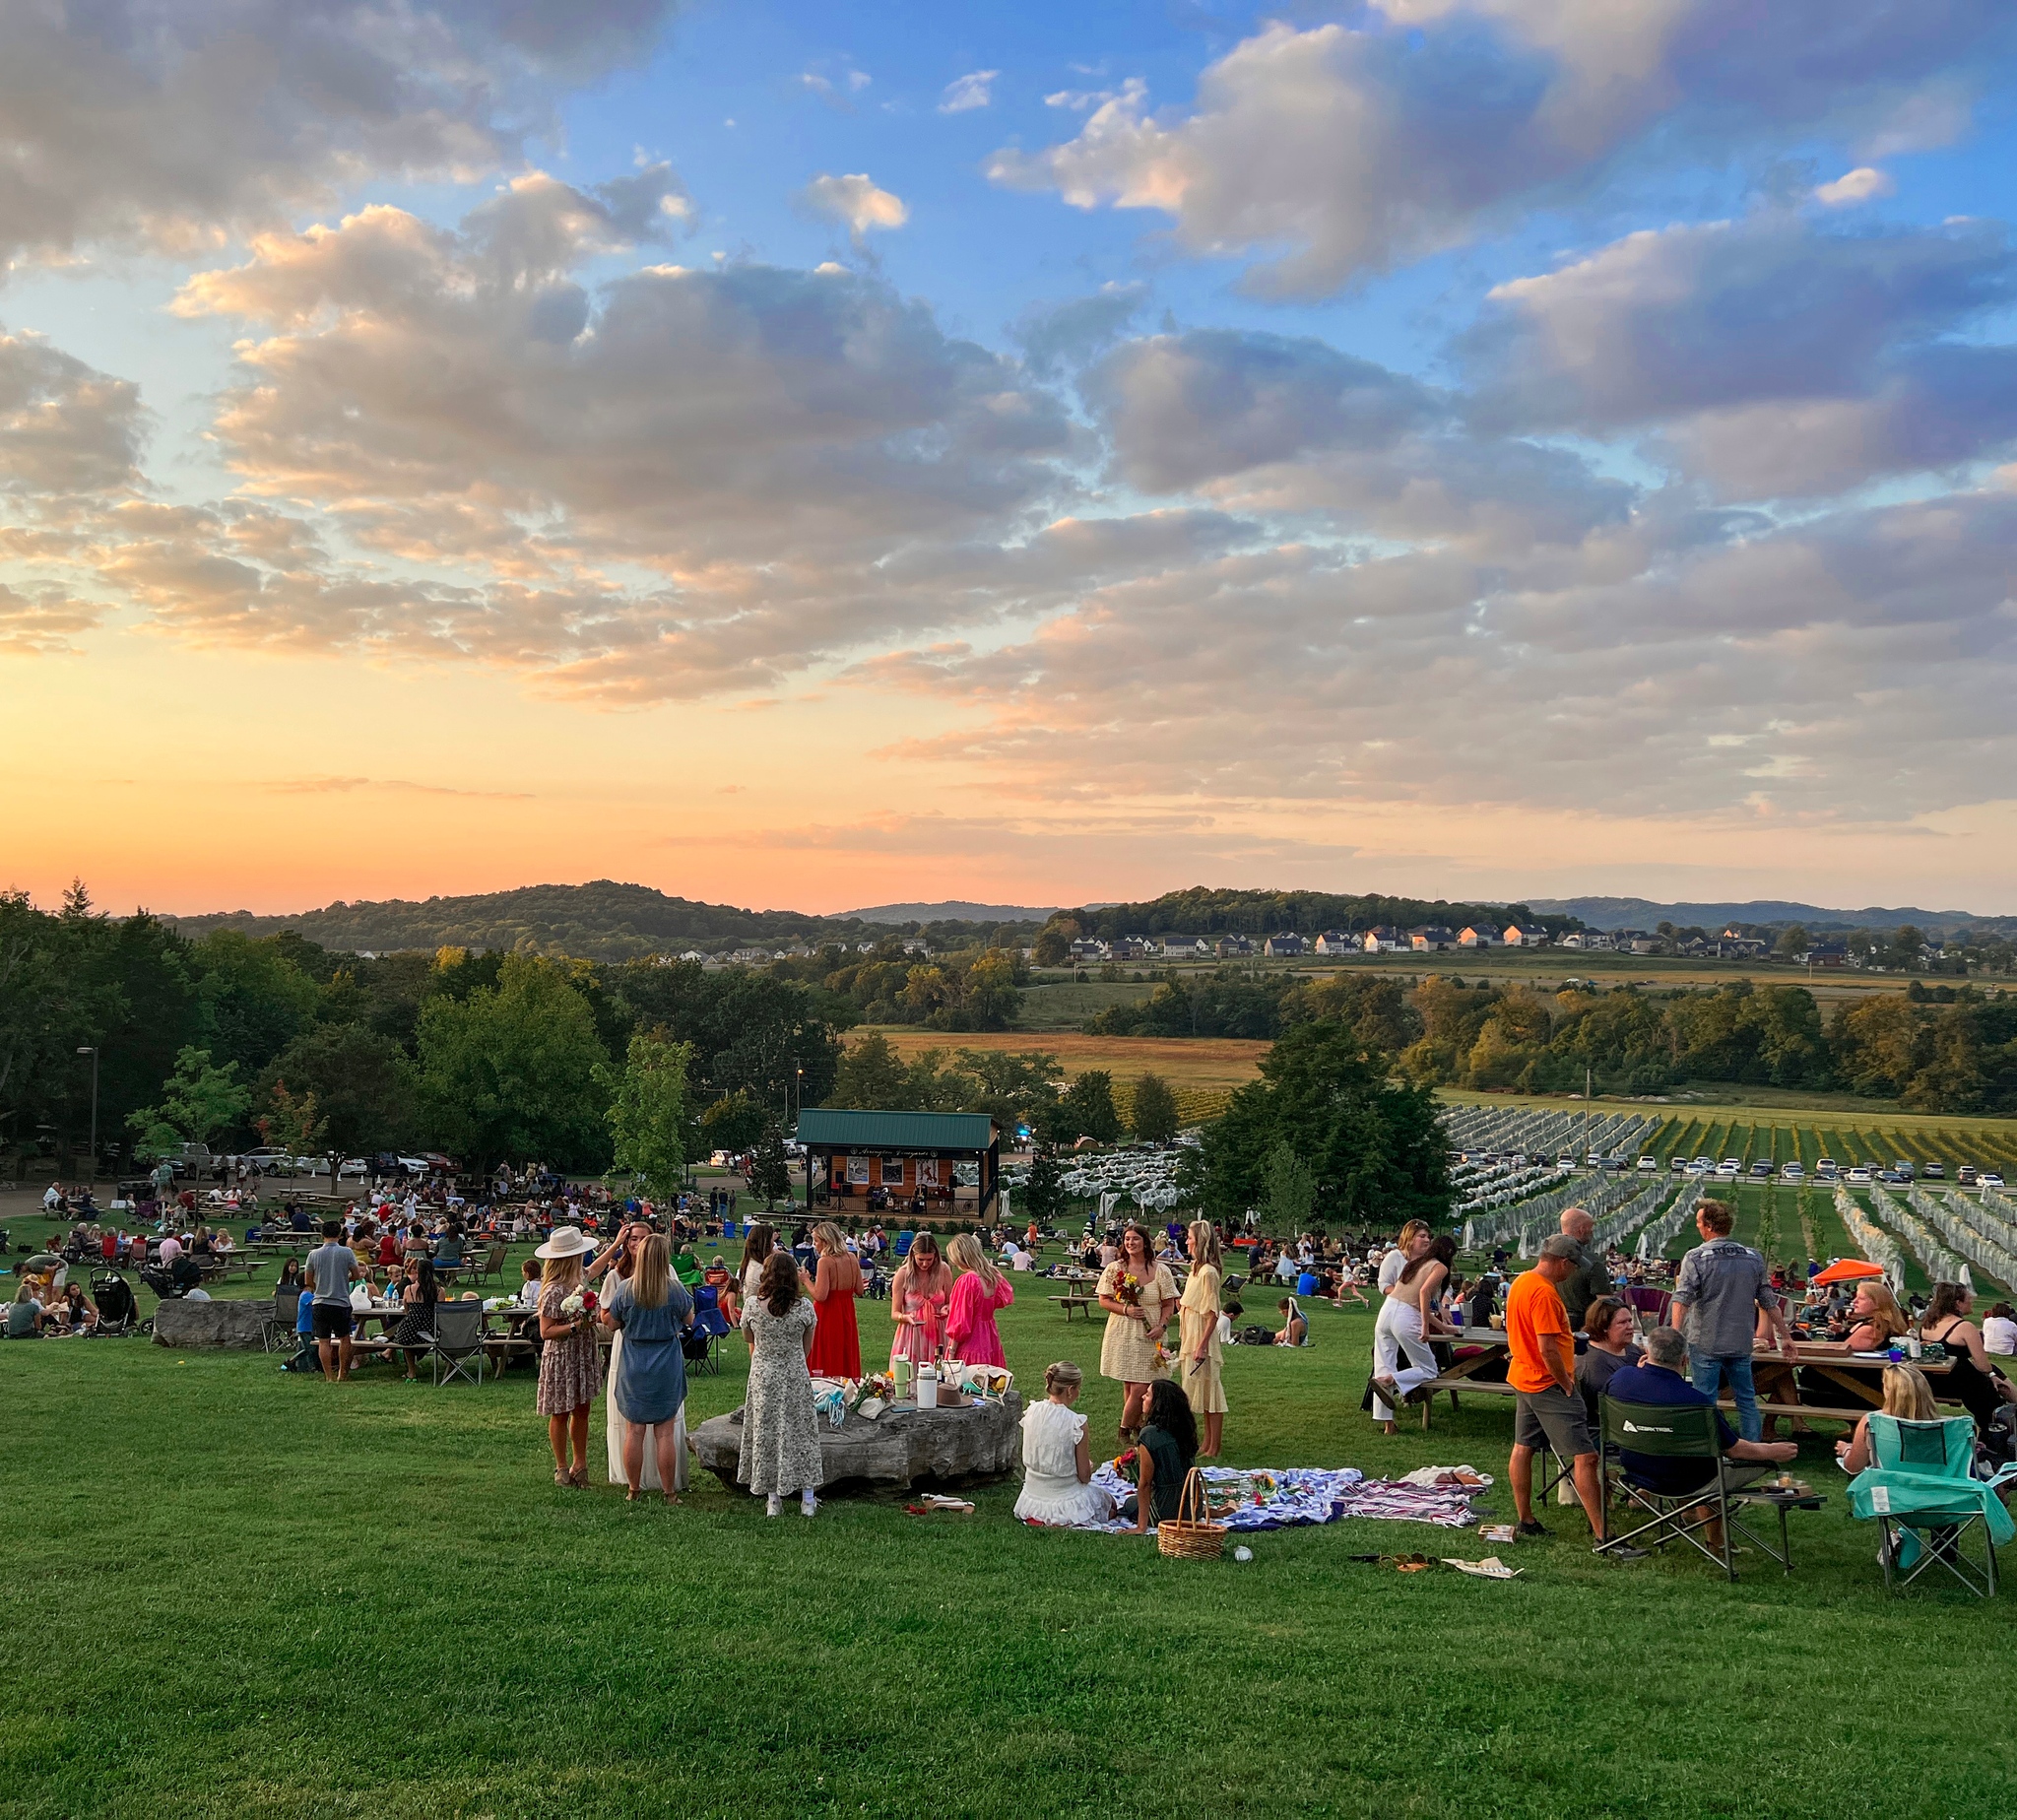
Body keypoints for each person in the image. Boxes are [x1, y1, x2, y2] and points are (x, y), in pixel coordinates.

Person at [1606, 1328, 1799, 1545]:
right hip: (1689, 1481)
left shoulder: (1621, 1378)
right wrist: (1774, 1451)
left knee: (1699, 1461)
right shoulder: (1694, 1401)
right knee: (1717, 1465)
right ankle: (1716, 1543)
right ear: (1685, 1360)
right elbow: (1735, 1449)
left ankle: (1690, 1517)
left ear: (1648, 1352)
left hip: (1637, 1470)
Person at [1505, 1235, 1624, 1548]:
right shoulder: (1544, 1293)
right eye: (1573, 1266)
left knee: (1523, 1447)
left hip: (1523, 1376)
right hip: (1548, 1383)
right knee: (1586, 1457)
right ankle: (1603, 1535)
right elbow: (1546, 1348)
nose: (1573, 1273)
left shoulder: (1522, 1281)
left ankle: (1526, 1519)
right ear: (1562, 1262)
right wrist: (1566, 1382)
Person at [1670, 1200, 1793, 1443]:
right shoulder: (1752, 1257)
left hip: (1706, 1340)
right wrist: (1785, 1336)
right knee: (1747, 1399)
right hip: (1740, 1341)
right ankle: (1753, 1449)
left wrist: (1676, 1337)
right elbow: (1769, 1300)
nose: (1697, 1226)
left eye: (1698, 1222)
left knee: (1705, 1398)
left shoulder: (1696, 1257)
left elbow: (1681, 1299)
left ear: (1708, 1225)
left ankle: (1709, 1446)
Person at [602, 1232, 693, 1503]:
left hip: (634, 1361)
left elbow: (612, 1324)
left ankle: (633, 1490)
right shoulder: (675, 1290)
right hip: (666, 1360)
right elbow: (689, 1318)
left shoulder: (626, 1289)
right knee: (665, 1431)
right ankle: (669, 1492)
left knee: (635, 1430)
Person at [737, 1250, 823, 1518]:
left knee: (767, 1433)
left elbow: (747, 1337)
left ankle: (773, 1499)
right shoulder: (805, 1309)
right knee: (802, 1433)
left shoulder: (752, 1305)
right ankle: (807, 1499)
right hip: (794, 1375)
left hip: (764, 1377)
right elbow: (806, 1347)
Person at [535, 1226, 603, 1489]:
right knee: (561, 1411)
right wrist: (576, 1326)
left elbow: (595, 1268)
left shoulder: (579, 1281)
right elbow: (546, 1331)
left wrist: (617, 1242)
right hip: (562, 1356)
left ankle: (580, 1464)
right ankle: (561, 1466)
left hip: (582, 1352)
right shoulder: (553, 1290)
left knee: (582, 1408)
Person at [1096, 1224, 1179, 1438]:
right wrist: (1126, 1309)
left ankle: (1126, 1428)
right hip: (1122, 1332)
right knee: (1131, 1383)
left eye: (1135, 1239)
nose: (1130, 1243)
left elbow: (1169, 1304)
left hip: (1151, 1335)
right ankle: (1133, 1427)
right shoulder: (1115, 1268)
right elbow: (1104, 1300)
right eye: (1127, 1239)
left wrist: (1162, 1325)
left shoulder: (1161, 1270)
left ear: (1145, 1242)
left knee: (1142, 1385)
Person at [1014, 1361, 1115, 1526]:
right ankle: (1063, 1518)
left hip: (1032, 1496)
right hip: (1064, 1497)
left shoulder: (1032, 1411)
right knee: (1109, 1504)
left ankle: (1040, 1518)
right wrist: (1088, 1467)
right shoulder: (1076, 1423)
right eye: (1078, 1388)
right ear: (1070, 1390)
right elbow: (1084, 1477)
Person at [1919, 1281, 2017, 1445]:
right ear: (1958, 1303)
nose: (1972, 1299)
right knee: (1996, 1381)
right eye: (1968, 1298)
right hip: (1961, 1382)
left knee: (1995, 1374)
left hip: (1935, 1381)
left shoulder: (1928, 1324)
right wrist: (1991, 1374)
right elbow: (1982, 1365)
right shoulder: (1964, 1327)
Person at [1372, 1233, 1454, 1431]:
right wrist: (1425, 1327)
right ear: (1449, 1252)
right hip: (1405, 1316)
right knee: (1428, 1370)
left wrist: (1443, 1328)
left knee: (1383, 1364)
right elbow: (1423, 1294)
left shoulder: (1415, 1263)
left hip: (1386, 1312)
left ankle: (1388, 1425)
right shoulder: (1439, 1267)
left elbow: (1414, 1300)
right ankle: (1391, 1380)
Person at [1179, 1219, 1228, 1458]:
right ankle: (1206, 1443)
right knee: (1201, 1391)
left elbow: (1212, 1313)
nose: (1186, 1241)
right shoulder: (1195, 1269)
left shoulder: (1209, 1273)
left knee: (1211, 1391)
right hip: (1191, 1335)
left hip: (1202, 1338)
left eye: (1190, 1237)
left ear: (1200, 1241)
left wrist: (1202, 1345)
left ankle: (1215, 1446)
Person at [1835, 1363, 1940, 1473]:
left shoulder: (1872, 1421)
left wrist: (1846, 1449)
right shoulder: (1944, 1426)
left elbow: (1853, 1467)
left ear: (1889, 1391)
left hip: (1888, 1487)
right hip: (1932, 1487)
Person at [1124, 1379, 1199, 1532]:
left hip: (1165, 1511)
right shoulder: (1183, 1428)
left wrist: (1141, 1526)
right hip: (1192, 1507)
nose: (1143, 1397)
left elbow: (1145, 1484)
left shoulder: (1149, 1435)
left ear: (1158, 1404)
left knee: (1129, 1504)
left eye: (1148, 1395)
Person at [303, 1218, 361, 1383]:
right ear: (339, 1235)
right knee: (344, 1338)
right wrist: (343, 1280)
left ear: (322, 1235)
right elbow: (356, 1275)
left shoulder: (313, 1255)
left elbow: (308, 1280)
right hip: (341, 1301)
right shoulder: (346, 1252)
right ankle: (342, 1373)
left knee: (324, 1340)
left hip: (320, 1301)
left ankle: (328, 1375)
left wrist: (320, 1285)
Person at [944, 1233, 1013, 1369]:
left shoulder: (967, 1281)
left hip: (970, 1344)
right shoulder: (992, 1276)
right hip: (989, 1338)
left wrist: (952, 1351)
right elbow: (1002, 1299)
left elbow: (961, 1323)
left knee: (967, 1383)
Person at [805, 1221, 865, 1378]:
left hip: (828, 1312)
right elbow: (860, 1290)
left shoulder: (825, 1262)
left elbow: (820, 1295)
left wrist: (805, 1280)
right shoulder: (852, 1257)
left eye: (816, 1241)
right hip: (846, 1309)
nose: (815, 1245)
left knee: (826, 1350)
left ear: (825, 1241)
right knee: (845, 1349)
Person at [889, 1231, 954, 1373]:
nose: (925, 1264)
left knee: (939, 1376)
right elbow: (894, 1313)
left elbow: (950, 1302)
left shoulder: (943, 1270)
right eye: (920, 1260)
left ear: (935, 1256)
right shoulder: (903, 1274)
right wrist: (905, 1317)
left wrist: (946, 1308)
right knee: (909, 1377)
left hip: (938, 1332)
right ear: (913, 1256)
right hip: (911, 1334)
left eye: (929, 1260)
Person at [1573, 1295, 1644, 1426]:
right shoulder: (1593, 1363)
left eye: (1630, 1321)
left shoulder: (1632, 1350)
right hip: (1606, 1428)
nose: (1630, 1326)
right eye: (1622, 1323)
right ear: (1604, 1326)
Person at [1556, 1207, 1610, 1332]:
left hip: (1554, 1324)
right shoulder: (1592, 1262)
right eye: (1591, 1228)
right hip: (1584, 1329)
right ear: (1582, 1229)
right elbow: (1605, 1304)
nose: (1592, 1232)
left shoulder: (1549, 1259)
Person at [392, 1258, 441, 1380]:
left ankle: (411, 1371)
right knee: (427, 1338)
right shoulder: (439, 1290)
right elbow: (441, 1312)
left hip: (411, 1328)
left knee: (404, 1338)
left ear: (418, 1272)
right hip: (431, 1328)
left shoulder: (409, 1289)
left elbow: (406, 1310)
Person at [739, 1223, 776, 1353]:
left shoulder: (752, 1264)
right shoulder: (760, 1271)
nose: (774, 1244)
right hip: (764, 1321)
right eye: (772, 1240)